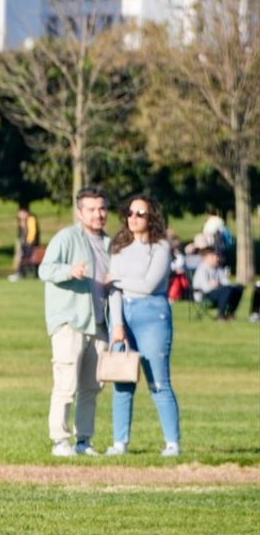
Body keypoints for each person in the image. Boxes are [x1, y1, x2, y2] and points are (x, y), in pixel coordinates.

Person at [106, 195, 180, 458]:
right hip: (124, 313)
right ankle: (119, 443)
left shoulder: (160, 247)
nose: (134, 218)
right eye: (130, 213)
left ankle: (172, 443)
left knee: (158, 381)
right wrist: (117, 325)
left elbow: (149, 284)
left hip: (152, 313)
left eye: (141, 213)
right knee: (122, 380)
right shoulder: (119, 247)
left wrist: (117, 279)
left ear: (152, 218)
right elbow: (112, 291)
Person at [38, 187, 110, 458]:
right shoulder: (67, 237)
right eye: (91, 209)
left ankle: (84, 441)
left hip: (99, 324)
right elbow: (44, 269)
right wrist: (70, 271)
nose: (98, 214)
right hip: (70, 322)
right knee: (66, 384)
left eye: (102, 208)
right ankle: (60, 441)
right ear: (80, 212)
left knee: (92, 387)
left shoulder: (109, 244)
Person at [192, 248, 244, 320]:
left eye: (217, 256)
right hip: (204, 295)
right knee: (226, 290)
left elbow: (226, 283)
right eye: (213, 256)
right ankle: (220, 315)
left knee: (239, 288)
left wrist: (220, 285)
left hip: (219, 292)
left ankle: (230, 314)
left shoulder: (218, 269)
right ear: (205, 258)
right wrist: (214, 285)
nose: (217, 258)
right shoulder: (202, 269)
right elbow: (205, 288)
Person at [15, 207, 41, 279]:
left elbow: (32, 231)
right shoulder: (25, 220)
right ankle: (22, 273)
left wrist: (29, 242)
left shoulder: (31, 219)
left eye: (20, 214)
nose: (19, 216)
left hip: (30, 244)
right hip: (27, 243)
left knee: (31, 259)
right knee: (25, 259)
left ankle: (24, 273)